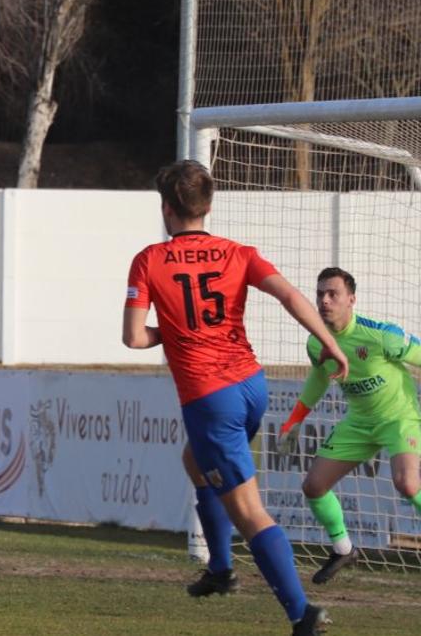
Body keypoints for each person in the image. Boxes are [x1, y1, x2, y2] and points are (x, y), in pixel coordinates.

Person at [122, 160, 348, 636]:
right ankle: (221, 571)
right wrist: (330, 344)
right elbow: (288, 296)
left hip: (210, 396)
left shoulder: (149, 260)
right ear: (208, 205)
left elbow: (134, 338)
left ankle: (301, 613)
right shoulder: (238, 253)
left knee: (248, 510)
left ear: (166, 208)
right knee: (194, 460)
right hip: (251, 385)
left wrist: (175, 333)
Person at [276, 267, 421, 584]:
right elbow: (318, 377)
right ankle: (343, 549)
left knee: (407, 483)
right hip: (359, 422)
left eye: (333, 294)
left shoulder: (383, 335)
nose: (325, 301)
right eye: (320, 294)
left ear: (351, 299)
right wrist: (295, 419)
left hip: (399, 418)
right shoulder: (316, 343)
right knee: (313, 486)